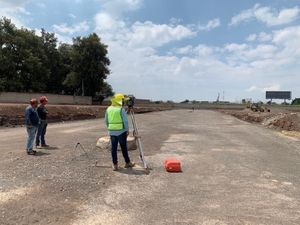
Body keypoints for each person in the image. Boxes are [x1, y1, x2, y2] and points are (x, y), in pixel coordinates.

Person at [105, 93, 135, 171]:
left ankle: (115, 165)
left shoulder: (108, 109)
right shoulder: (120, 109)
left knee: (113, 149)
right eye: (122, 100)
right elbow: (125, 121)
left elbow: (106, 121)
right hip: (121, 132)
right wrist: (127, 130)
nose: (123, 102)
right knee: (123, 148)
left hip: (112, 132)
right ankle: (127, 163)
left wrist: (110, 129)